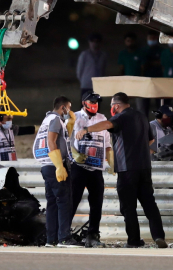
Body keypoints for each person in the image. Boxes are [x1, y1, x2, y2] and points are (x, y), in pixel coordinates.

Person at [76, 92, 167, 248]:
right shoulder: (142, 117)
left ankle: (133, 240)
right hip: (145, 167)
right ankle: (159, 236)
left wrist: (86, 129)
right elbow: (150, 140)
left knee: (128, 206)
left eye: (112, 105)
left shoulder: (121, 117)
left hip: (127, 169)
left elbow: (106, 125)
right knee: (149, 204)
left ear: (116, 106)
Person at [33, 96, 81, 248]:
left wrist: (70, 124)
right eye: (69, 107)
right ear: (63, 108)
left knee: (53, 203)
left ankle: (51, 239)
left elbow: (61, 138)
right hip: (55, 165)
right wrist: (60, 166)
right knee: (64, 201)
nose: (70, 111)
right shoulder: (55, 120)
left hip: (47, 166)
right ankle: (64, 238)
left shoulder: (46, 120)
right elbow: (52, 141)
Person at [69, 92, 112, 248]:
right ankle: (64, 234)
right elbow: (66, 141)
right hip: (78, 167)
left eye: (97, 102)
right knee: (72, 200)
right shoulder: (74, 118)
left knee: (97, 203)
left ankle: (93, 235)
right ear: (84, 102)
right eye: (91, 102)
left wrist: (111, 163)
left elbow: (107, 144)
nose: (95, 104)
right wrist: (74, 154)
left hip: (96, 169)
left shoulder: (102, 119)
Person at [137, 31, 163, 117]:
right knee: (143, 107)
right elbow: (142, 65)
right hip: (145, 82)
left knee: (160, 106)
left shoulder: (161, 50)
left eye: (154, 38)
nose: (152, 40)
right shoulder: (142, 50)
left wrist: (151, 63)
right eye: (150, 38)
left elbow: (162, 63)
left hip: (159, 81)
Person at [77, 33, 107, 100]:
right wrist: (83, 81)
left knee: (97, 106)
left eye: (97, 42)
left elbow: (103, 70)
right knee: (85, 107)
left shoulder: (103, 55)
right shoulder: (84, 55)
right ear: (89, 42)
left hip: (98, 85)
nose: (95, 44)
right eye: (92, 41)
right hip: (86, 85)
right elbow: (79, 71)